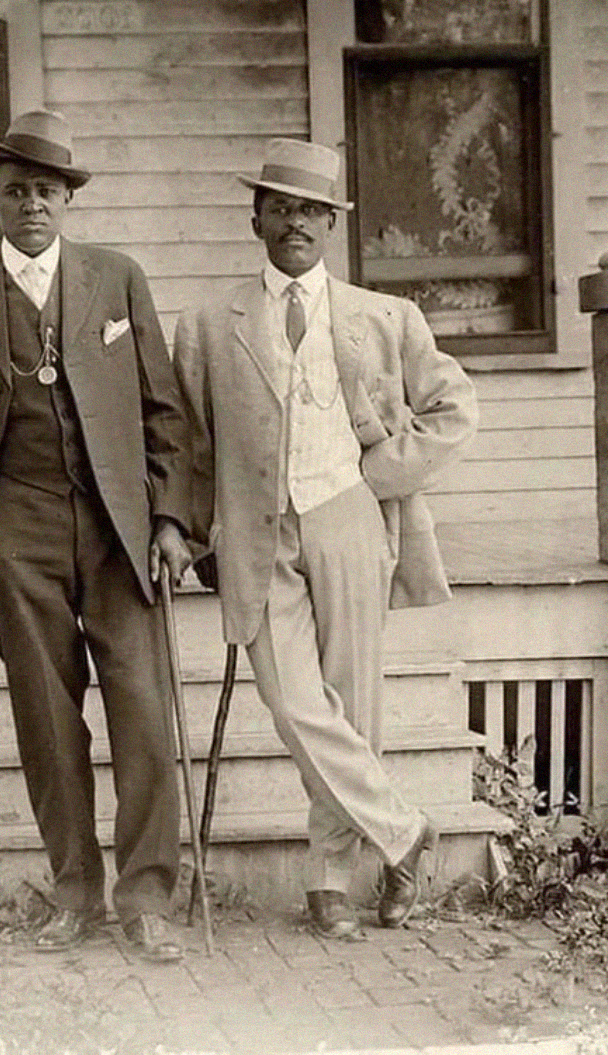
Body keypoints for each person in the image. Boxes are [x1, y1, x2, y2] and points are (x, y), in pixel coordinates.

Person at [173, 138, 478, 936]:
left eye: (311, 210)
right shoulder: (208, 324)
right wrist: (180, 528)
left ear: (331, 226)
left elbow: (455, 410)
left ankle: (331, 883)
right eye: (281, 207)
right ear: (256, 220)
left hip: (349, 519)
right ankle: (408, 832)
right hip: (253, 535)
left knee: (352, 705)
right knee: (297, 704)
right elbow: (189, 446)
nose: (295, 222)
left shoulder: (385, 317)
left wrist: (376, 478)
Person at [0, 110, 193, 961]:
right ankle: (77, 893)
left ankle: (147, 899)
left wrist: (172, 518)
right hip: (15, 525)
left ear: (68, 201)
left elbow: (164, 412)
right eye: (16, 190)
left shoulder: (117, 278)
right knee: (48, 719)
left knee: (142, 711)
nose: (32, 203)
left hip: (119, 527)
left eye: (47, 189)